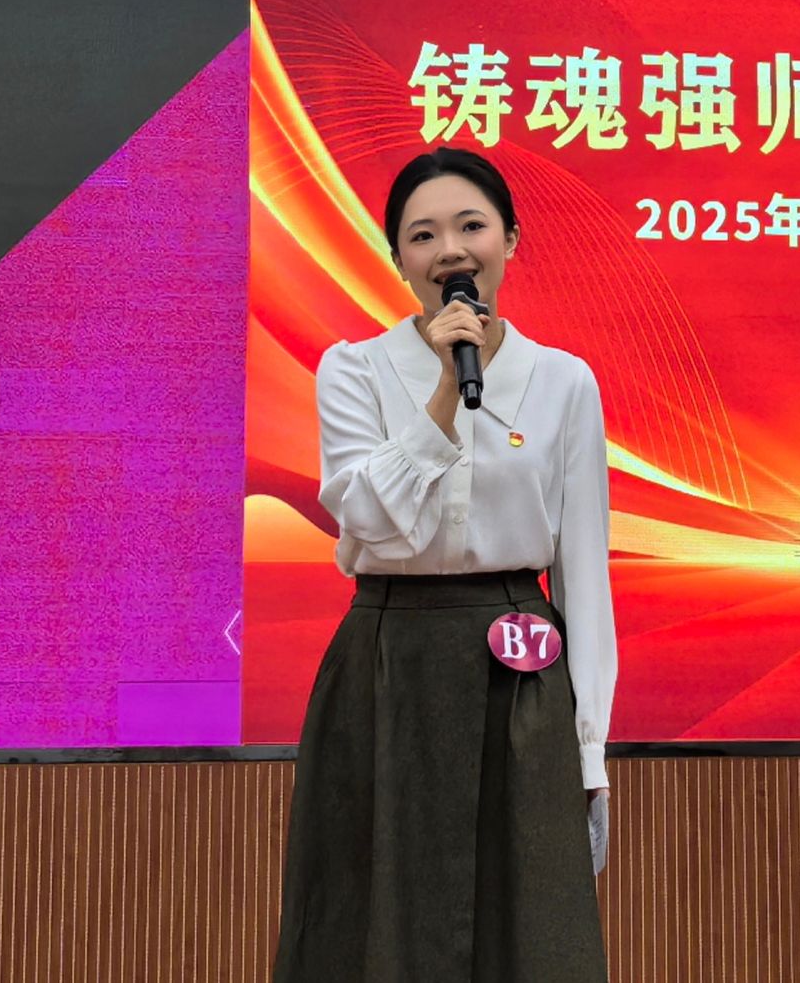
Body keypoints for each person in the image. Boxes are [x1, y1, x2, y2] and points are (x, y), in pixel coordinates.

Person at [274, 147, 615, 981]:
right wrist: (438, 398)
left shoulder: (564, 381)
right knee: (373, 916)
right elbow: (360, 515)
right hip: (388, 655)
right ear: (397, 258)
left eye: (471, 227)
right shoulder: (353, 370)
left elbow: (583, 576)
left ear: (510, 240)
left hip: (520, 667)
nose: (450, 251)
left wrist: (588, 751)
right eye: (423, 235)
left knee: (524, 925)